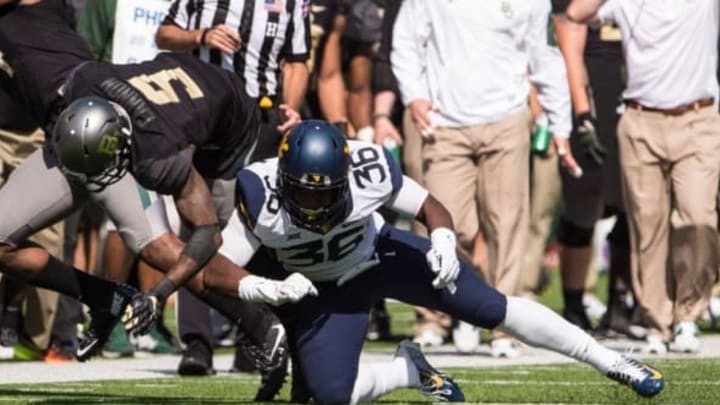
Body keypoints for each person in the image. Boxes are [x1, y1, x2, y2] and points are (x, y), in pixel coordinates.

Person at [186, 120, 664, 404]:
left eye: (324, 196)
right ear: (283, 180)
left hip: (383, 255)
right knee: (334, 396)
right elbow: (215, 269)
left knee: (490, 308)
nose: (313, 209)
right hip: (325, 290)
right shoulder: (259, 190)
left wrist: (440, 238)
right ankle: (408, 371)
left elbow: (430, 205)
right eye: (304, 196)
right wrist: (261, 287)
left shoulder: (370, 170)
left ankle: (610, 360)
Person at [0, 2, 297, 396]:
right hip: (67, 130)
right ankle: (107, 297)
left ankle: (261, 322)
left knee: (159, 247)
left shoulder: (153, 147)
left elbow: (207, 231)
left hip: (103, 125)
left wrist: (159, 293)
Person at [155, 0, 310, 376]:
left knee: (261, 225)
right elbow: (163, 34)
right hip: (207, 114)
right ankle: (197, 343)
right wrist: (201, 36)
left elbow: (296, 59)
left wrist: (291, 106)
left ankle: (253, 340)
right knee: (198, 223)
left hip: (261, 115)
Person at [566, 0, 720, 354]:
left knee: (698, 218)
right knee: (646, 226)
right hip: (640, 120)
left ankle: (687, 315)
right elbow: (576, 14)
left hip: (697, 117)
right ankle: (657, 320)